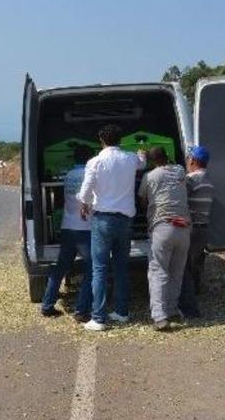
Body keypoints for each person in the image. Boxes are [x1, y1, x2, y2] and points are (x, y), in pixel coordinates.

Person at [76, 124, 145, 331]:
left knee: (99, 269)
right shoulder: (130, 159)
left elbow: (85, 191)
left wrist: (84, 204)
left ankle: (98, 318)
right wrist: (142, 152)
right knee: (121, 267)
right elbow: (142, 162)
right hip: (125, 220)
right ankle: (122, 312)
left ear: (101, 141)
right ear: (120, 140)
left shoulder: (95, 162)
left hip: (103, 220)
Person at [137, 147, 191, 331]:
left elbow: (142, 200)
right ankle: (172, 309)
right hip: (183, 228)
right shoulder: (180, 171)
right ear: (167, 156)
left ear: (152, 161)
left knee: (158, 272)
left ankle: (160, 317)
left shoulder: (149, 176)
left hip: (162, 228)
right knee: (176, 272)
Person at [40, 146, 94, 322]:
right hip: (85, 229)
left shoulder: (69, 175)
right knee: (92, 269)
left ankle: (47, 305)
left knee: (60, 268)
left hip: (67, 227)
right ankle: (81, 310)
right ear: (90, 159)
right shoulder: (90, 175)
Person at [178, 145, 214, 318]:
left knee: (184, 268)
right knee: (195, 265)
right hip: (203, 229)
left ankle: (188, 307)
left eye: (187, 158)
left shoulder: (191, 180)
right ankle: (195, 299)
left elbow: (178, 198)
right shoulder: (208, 178)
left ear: (192, 160)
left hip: (191, 229)